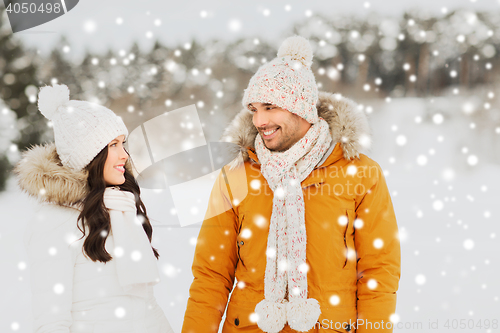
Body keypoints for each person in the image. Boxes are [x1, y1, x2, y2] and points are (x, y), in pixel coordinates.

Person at [182, 36, 401, 333]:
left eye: (270, 107)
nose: (259, 120)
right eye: (254, 108)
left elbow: (378, 272)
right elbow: (211, 275)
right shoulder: (236, 175)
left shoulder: (360, 173)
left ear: (302, 109)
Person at [15, 84, 174, 333]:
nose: (124, 154)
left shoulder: (120, 208)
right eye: (113, 145)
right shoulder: (53, 221)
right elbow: (51, 323)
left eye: (123, 143)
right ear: (88, 156)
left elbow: (146, 307)